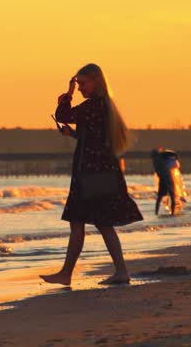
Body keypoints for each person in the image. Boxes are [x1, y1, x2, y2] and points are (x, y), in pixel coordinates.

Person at [41, 64, 143, 286]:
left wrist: (66, 95)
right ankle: (116, 271)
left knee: (84, 220)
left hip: (91, 174)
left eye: (82, 84)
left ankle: (70, 273)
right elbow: (95, 140)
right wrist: (74, 134)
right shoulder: (104, 106)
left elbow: (64, 114)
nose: (79, 89)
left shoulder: (95, 105)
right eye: (77, 85)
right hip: (99, 171)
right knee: (97, 222)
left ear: (96, 81)